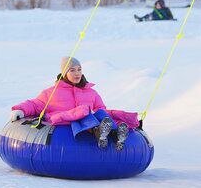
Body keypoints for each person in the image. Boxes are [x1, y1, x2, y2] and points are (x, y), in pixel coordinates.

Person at [10, 57, 139, 150]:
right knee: (85, 116)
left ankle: (116, 133)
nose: (77, 73)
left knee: (100, 113)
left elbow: (100, 108)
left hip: (91, 118)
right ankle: (97, 132)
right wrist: (20, 110)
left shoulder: (91, 92)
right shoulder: (52, 92)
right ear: (65, 73)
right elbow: (35, 104)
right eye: (72, 70)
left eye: (79, 69)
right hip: (68, 121)